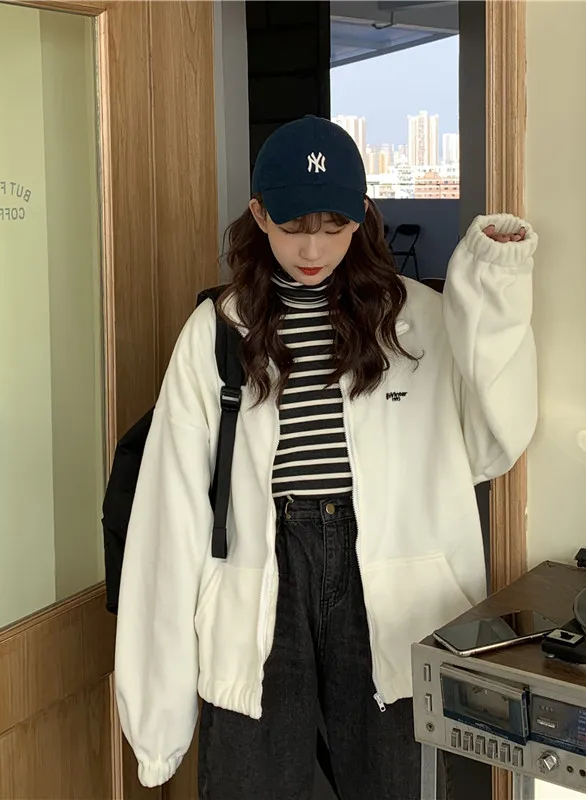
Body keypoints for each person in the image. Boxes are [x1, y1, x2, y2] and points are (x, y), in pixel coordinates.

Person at [115, 115, 538, 800]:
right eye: (292, 225)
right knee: (252, 782)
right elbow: (169, 513)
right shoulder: (217, 331)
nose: (312, 247)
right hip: (263, 570)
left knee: (393, 780)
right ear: (259, 215)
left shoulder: (418, 321)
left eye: (334, 224)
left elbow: (493, 446)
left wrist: (497, 285)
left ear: (362, 215)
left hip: (387, 576)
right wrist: (155, 721)